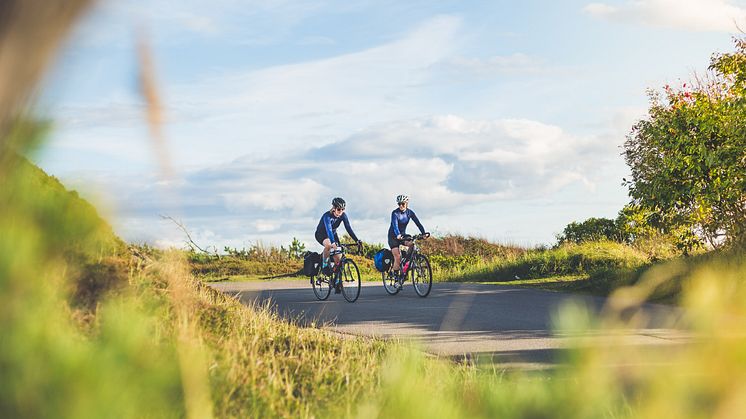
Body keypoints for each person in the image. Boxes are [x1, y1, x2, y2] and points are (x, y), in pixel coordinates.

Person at [315, 197, 362, 290]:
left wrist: (357, 240)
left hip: (333, 234)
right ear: (334, 208)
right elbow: (328, 229)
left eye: (343, 209)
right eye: (339, 209)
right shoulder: (327, 216)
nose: (341, 211)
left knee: (338, 259)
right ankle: (324, 264)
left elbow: (348, 228)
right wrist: (332, 242)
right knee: (328, 245)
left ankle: (336, 281)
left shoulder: (343, 215)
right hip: (322, 234)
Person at [388, 195, 429, 280]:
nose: (401, 206)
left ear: (407, 204)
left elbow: (418, 223)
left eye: (403, 204)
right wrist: (398, 234)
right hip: (393, 237)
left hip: (402, 235)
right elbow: (395, 225)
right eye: (399, 204)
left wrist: (423, 233)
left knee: (412, 244)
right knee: (398, 257)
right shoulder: (395, 213)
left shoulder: (410, 213)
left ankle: (406, 262)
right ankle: (396, 277)